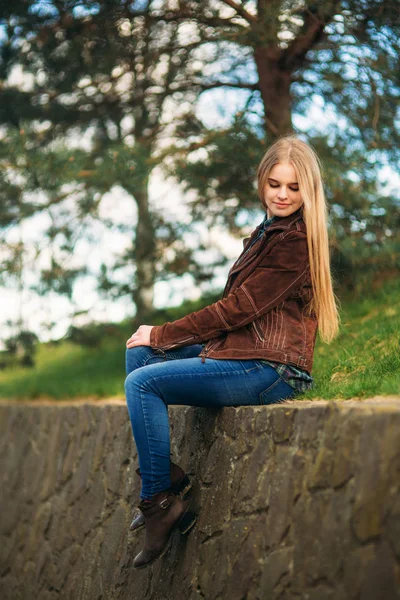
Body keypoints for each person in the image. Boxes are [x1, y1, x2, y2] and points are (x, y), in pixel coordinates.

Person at [124, 134, 340, 569]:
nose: (282, 194)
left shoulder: (294, 242)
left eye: (294, 188)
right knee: (139, 355)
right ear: (262, 181)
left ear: (308, 191)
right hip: (245, 351)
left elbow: (238, 309)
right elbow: (236, 316)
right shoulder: (266, 233)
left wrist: (164, 331)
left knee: (142, 381)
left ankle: (158, 503)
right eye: (275, 184)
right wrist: (157, 338)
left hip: (272, 369)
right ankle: (165, 479)